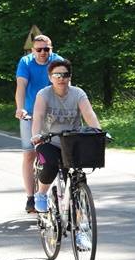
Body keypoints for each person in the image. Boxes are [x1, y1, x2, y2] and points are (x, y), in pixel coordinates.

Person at [30, 59, 100, 218]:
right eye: (57, 75)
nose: (61, 78)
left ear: (70, 77)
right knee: (50, 165)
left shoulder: (78, 93)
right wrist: (36, 135)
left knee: (78, 173)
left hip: (72, 141)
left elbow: (89, 114)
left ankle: (78, 206)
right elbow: (38, 116)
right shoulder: (44, 94)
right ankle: (41, 194)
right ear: (50, 77)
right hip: (49, 140)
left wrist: (97, 132)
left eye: (65, 75)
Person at [15, 34, 63, 213]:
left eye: (46, 49)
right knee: (29, 154)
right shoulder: (26, 62)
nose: (43, 52)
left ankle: (59, 192)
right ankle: (30, 197)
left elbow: (65, 86)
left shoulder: (58, 61)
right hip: (30, 112)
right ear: (32, 50)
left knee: (61, 151)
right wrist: (20, 108)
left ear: (51, 49)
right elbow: (21, 86)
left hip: (52, 113)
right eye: (39, 49)